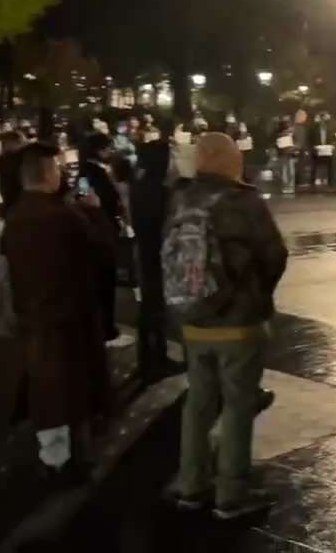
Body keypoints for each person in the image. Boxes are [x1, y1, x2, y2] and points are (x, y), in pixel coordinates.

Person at [169, 133, 287, 520]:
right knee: (238, 404)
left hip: (192, 321)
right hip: (237, 322)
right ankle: (230, 495)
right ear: (231, 161)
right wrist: (257, 296)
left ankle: (190, 486)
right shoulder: (244, 200)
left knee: (198, 402)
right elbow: (274, 254)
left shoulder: (181, 198)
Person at [5, 142, 115, 485]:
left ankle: (52, 458)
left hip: (33, 316)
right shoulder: (64, 217)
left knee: (46, 391)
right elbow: (105, 253)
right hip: (71, 316)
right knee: (73, 392)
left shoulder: (15, 217)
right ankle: (73, 462)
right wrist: (95, 212)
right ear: (48, 174)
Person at [132, 136, 182, 382]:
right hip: (156, 256)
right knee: (155, 309)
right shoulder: (159, 191)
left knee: (150, 309)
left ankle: (152, 358)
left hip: (147, 254)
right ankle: (153, 362)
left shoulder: (141, 184)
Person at [79, 133, 126, 342]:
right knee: (105, 281)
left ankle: (101, 326)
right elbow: (107, 200)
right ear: (98, 150)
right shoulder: (95, 172)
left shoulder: (86, 171)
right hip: (102, 231)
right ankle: (106, 328)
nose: (110, 152)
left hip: (95, 230)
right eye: (108, 148)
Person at [0, 131, 26, 215]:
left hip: (9, 205)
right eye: (20, 142)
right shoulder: (19, 159)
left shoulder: (1, 161)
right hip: (21, 205)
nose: (23, 145)